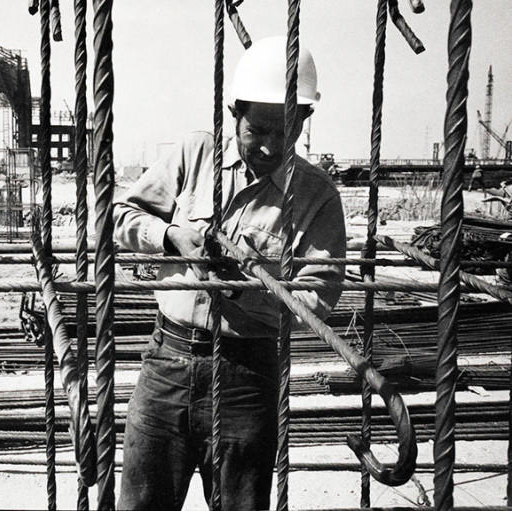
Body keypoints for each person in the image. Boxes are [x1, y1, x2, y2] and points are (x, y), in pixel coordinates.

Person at [114, 36, 346, 511]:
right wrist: (171, 237)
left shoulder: (316, 195)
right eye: (255, 129)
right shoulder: (194, 154)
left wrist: (248, 285)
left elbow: (319, 297)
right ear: (234, 113)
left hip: (247, 378)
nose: (267, 146)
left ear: (304, 120)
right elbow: (119, 216)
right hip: (167, 366)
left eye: (283, 131)